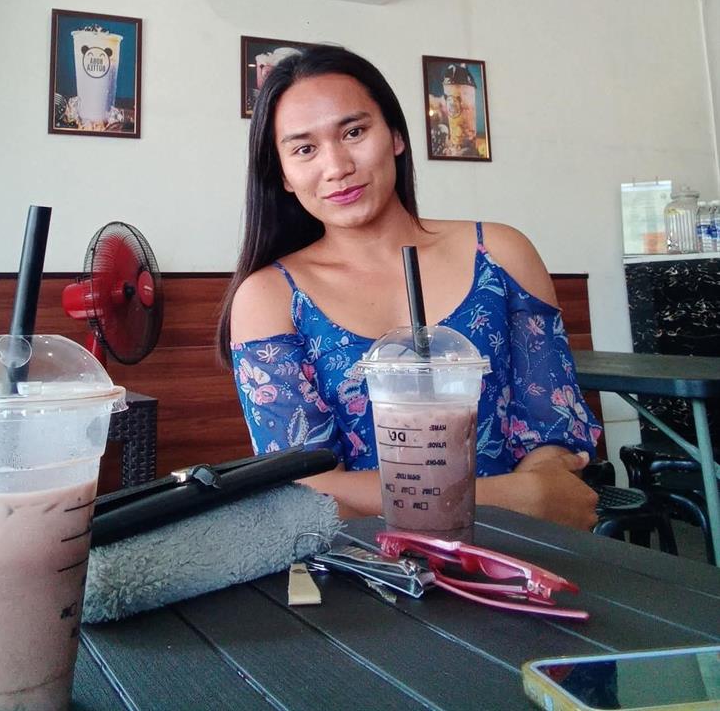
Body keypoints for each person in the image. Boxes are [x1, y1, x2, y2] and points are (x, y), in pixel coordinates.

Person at [217, 45, 601, 530]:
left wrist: (544, 483)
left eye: (354, 132)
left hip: (520, 552)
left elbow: (553, 428)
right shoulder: (270, 296)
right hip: (367, 563)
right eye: (304, 149)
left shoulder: (499, 253)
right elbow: (304, 484)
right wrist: (515, 498)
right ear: (285, 176)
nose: (336, 166)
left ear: (396, 136)